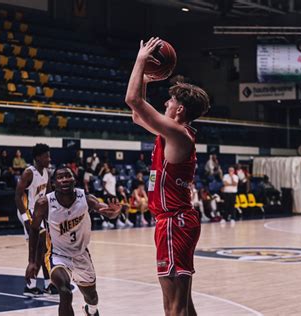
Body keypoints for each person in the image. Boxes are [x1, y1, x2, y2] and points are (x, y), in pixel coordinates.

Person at [125, 37, 210, 315]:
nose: (166, 102)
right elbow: (137, 116)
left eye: (171, 101)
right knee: (183, 304)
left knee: (173, 307)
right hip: (175, 221)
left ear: (180, 110)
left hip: (175, 222)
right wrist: (146, 80)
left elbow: (132, 100)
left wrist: (141, 59)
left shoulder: (178, 133)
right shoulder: (170, 134)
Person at [25, 167, 121, 316]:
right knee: (64, 290)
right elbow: (34, 229)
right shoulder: (44, 203)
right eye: (60, 177)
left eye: (67, 176)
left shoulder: (86, 199)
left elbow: (105, 210)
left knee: (92, 297)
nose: (64, 180)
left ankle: (91, 310)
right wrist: (32, 261)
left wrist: (114, 213)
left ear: (74, 180)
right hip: (57, 255)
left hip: (81, 255)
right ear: (54, 183)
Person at [15, 144, 54, 296]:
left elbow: (49, 194)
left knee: (44, 248)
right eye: (46, 156)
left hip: (39, 212)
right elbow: (18, 196)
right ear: (38, 157)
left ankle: (47, 284)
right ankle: (31, 286)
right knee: (40, 246)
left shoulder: (46, 173)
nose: (49, 159)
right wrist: (25, 217)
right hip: (28, 211)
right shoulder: (28, 173)